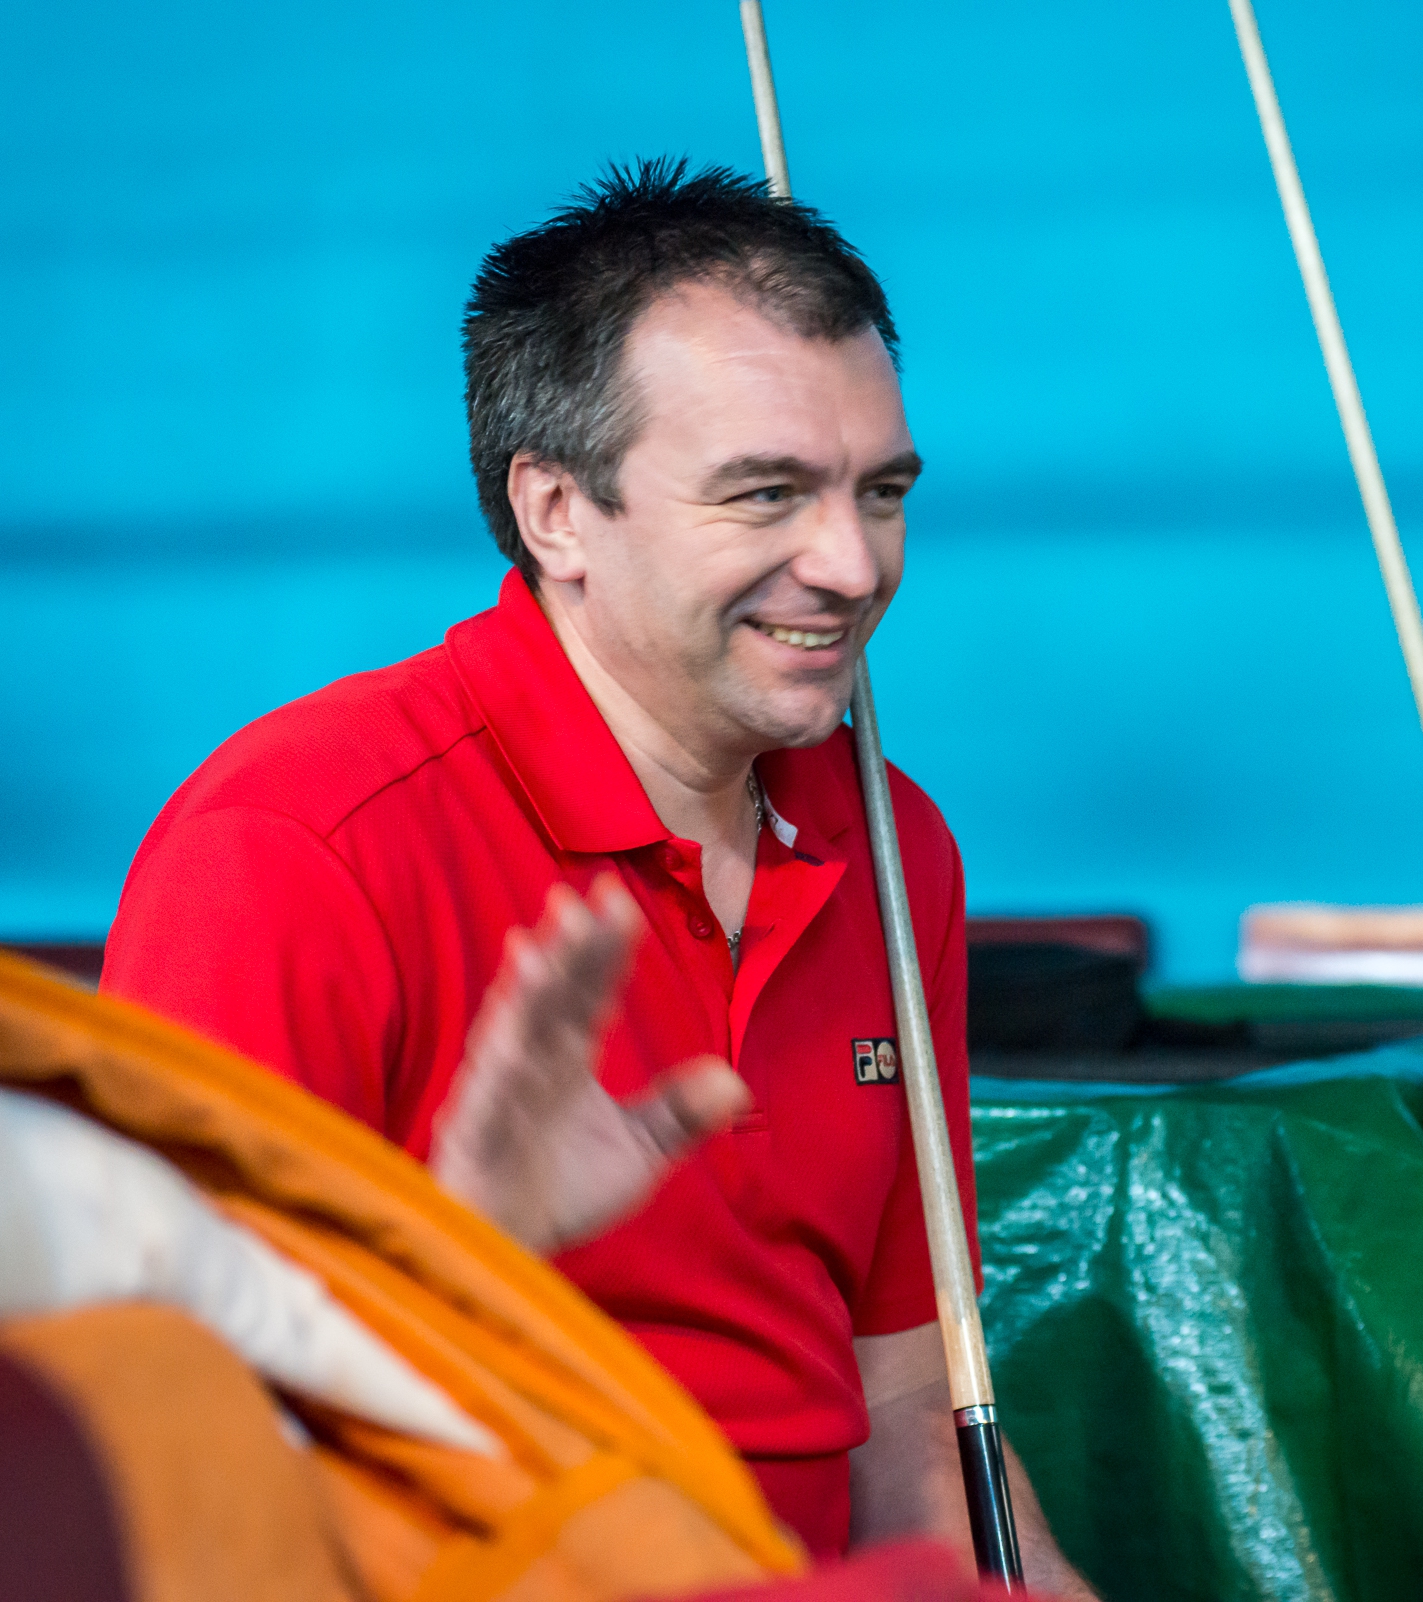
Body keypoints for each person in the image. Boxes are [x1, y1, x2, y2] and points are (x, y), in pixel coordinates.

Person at [102, 160, 1091, 1592]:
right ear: (558, 509)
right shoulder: (295, 842)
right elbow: (170, 1445)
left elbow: (906, 1407)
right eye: (767, 493)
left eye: (881, 492)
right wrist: (463, 1257)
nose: (851, 563)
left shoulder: (893, 841)